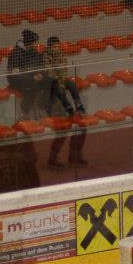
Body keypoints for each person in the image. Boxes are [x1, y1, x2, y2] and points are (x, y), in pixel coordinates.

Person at [44, 36, 87, 170]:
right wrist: (59, 80)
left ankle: (74, 155)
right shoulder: (45, 57)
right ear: (49, 47)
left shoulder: (61, 55)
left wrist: (61, 80)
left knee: (82, 127)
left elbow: (63, 70)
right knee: (62, 130)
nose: (57, 48)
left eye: (58, 46)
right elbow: (49, 74)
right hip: (52, 95)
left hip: (61, 82)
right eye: (54, 46)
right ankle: (53, 159)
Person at [6, 29, 49, 119]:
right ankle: (24, 112)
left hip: (33, 77)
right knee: (31, 89)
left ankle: (40, 107)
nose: (37, 44)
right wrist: (32, 78)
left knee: (50, 83)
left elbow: (41, 65)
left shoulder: (34, 51)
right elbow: (14, 74)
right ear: (32, 43)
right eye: (35, 42)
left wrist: (41, 74)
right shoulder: (16, 53)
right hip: (17, 81)